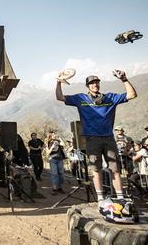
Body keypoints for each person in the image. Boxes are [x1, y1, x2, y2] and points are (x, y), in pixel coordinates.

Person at [56, 70, 137, 203]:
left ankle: (120, 197)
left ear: (99, 84)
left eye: (97, 82)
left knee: (115, 169)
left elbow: (132, 94)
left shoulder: (110, 98)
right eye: (92, 83)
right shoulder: (81, 98)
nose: (95, 85)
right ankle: (100, 198)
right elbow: (60, 97)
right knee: (96, 169)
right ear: (88, 86)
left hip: (109, 138)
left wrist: (124, 79)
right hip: (92, 139)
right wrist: (58, 81)